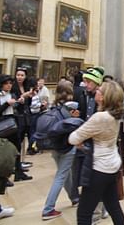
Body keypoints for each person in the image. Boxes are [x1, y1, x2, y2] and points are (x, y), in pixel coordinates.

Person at [69, 81, 124, 225]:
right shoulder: (115, 114)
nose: (97, 91)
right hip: (111, 165)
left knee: (83, 213)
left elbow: (73, 138)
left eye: (100, 90)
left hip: (99, 168)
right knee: (113, 207)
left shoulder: (100, 117)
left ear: (104, 97)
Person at [41, 81, 81, 220]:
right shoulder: (72, 106)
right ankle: (48, 208)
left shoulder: (54, 105)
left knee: (64, 173)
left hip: (55, 145)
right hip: (67, 145)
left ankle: (74, 197)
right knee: (61, 176)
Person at [11, 67, 34, 181]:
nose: (19, 77)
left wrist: (29, 96)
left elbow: (28, 104)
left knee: (20, 145)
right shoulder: (13, 87)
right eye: (18, 75)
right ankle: (16, 169)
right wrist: (23, 96)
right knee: (16, 145)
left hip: (25, 118)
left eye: (22, 75)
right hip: (16, 119)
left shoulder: (25, 87)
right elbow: (13, 103)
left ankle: (18, 168)